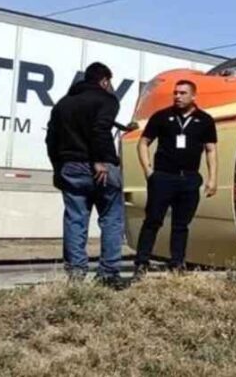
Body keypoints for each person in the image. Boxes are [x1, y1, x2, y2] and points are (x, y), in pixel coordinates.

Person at [45, 62, 126, 288]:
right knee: (111, 219)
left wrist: (57, 167)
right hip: (100, 166)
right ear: (105, 81)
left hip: (69, 166)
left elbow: (51, 139)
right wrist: (99, 160)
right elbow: (100, 129)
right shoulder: (107, 100)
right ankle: (108, 273)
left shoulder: (63, 103)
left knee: (75, 219)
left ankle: (76, 274)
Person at [133, 80, 218, 277]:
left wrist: (212, 178)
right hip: (163, 177)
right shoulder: (162, 116)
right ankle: (142, 262)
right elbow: (143, 143)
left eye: (183, 93)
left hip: (189, 179)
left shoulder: (204, 120)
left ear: (193, 96)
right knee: (153, 220)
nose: (177, 96)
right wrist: (148, 171)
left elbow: (211, 150)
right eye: (176, 93)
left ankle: (177, 263)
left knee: (181, 225)